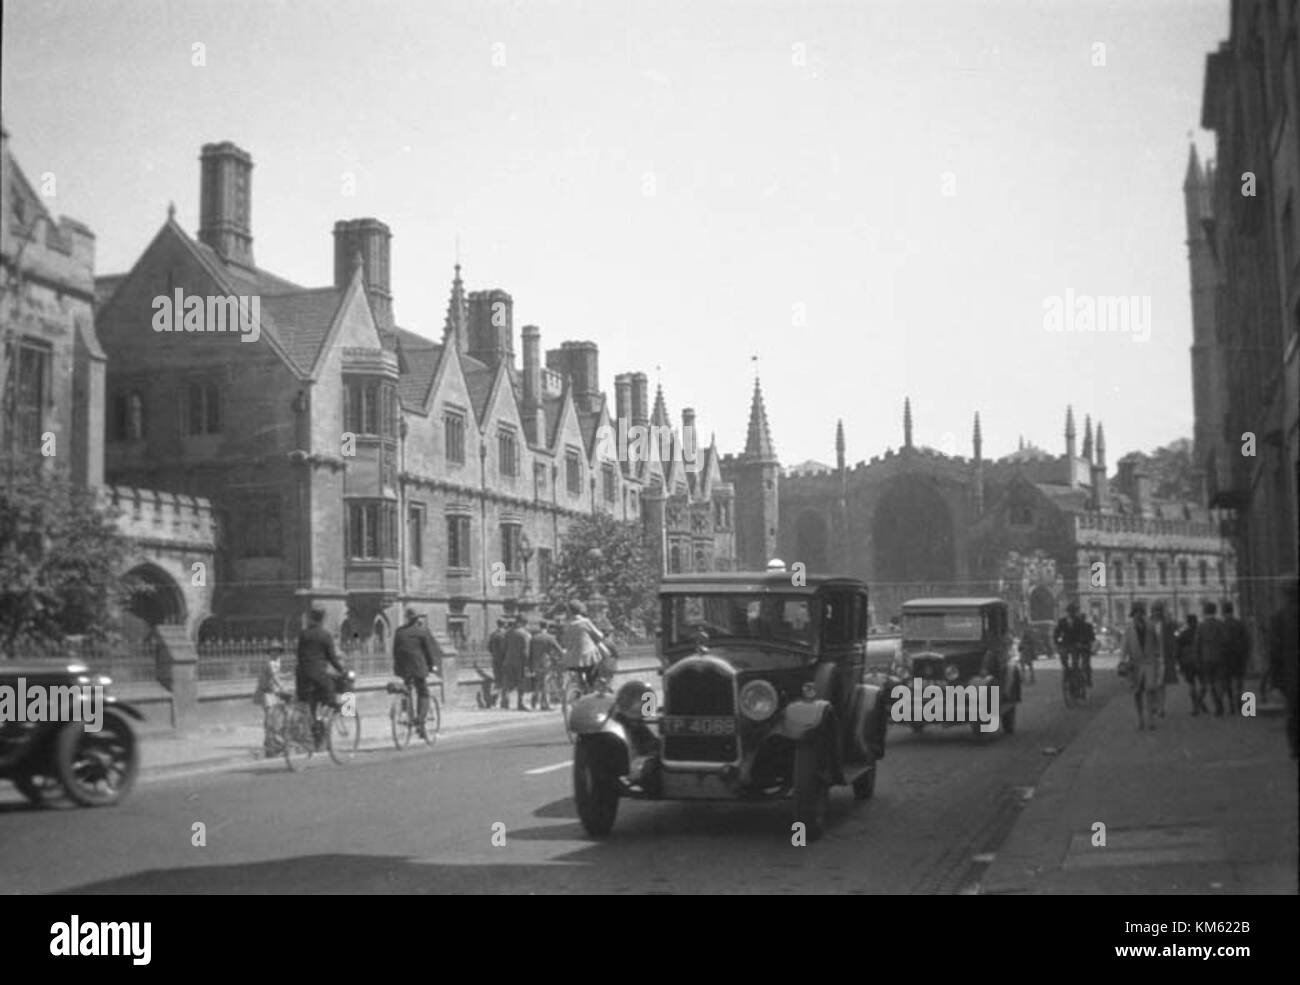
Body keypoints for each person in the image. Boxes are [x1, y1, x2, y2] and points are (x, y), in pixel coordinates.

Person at [296, 608, 345, 747]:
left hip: (302, 676)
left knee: (311, 705)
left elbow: (299, 655)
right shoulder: (325, 635)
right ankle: (339, 712)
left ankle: (317, 735)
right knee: (330, 696)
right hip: (318, 675)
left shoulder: (303, 634)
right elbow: (332, 658)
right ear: (322, 620)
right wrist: (342, 670)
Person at [393, 607, 440, 739]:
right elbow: (429, 652)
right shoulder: (422, 631)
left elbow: (395, 651)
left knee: (406, 690)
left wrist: (397, 668)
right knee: (423, 692)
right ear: (417, 619)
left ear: (407, 618)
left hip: (403, 668)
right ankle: (420, 720)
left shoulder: (399, 632)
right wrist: (432, 666)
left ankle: (405, 713)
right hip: (418, 668)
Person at [1268, 579, 1298, 759]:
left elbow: (1275, 650)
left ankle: (1295, 747)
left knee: (1293, 711)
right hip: (1290, 671)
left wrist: (1275, 680)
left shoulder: (1279, 617)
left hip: (1291, 673)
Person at [1120, 600, 1162, 731]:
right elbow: (1125, 646)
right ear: (1133, 614)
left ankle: (1151, 719)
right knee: (1137, 693)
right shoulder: (1129, 629)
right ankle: (1140, 719)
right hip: (1135, 664)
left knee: (1150, 690)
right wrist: (1122, 660)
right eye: (1135, 613)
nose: (1138, 615)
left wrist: (1158, 656)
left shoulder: (1150, 626)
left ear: (1143, 613)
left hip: (1149, 662)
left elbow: (1157, 642)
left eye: (1140, 612)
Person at [252, 644, 291, 757]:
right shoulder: (269, 663)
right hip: (265, 693)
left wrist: (285, 676)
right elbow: (274, 677)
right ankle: (269, 743)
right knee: (270, 718)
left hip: (272, 693)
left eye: (278, 651)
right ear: (269, 652)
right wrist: (283, 687)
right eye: (273, 651)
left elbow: (277, 675)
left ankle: (271, 742)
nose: (276, 653)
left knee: (274, 718)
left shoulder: (277, 662)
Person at [560, 600, 606, 689]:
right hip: (588, 657)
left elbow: (565, 642)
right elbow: (599, 635)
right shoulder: (585, 622)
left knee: (577, 674)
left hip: (572, 659)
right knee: (593, 675)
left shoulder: (567, 624)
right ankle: (593, 689)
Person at [1054, 602, 1095, 693]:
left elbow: (1082, 633)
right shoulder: (1062, 621)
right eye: (1070, 611)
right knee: (1063, 658)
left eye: (1073, 611)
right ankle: (1067, 671)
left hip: (1075, 645)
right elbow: (1057, 633)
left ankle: (1076, 679)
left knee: (1075, 661)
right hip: (1065, 644)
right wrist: (1057, 642)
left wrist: (1080, 642)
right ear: (1067, 612)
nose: (1071, 613)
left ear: (1075, 612)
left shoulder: (1079, 621)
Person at [1196, 601, 1228, 717]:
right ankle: (1219, 703)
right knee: (1219, 681)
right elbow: (1225, 640)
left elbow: (1197, 644)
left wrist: (1198, 659)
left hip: (1206, 658)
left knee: (1209, 682)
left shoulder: (1201, 626)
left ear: (1205, 612)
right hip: (1219, 657)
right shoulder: (1220, 624)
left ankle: (1216, 703)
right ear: (1215, 611)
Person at [1150, 600, 1178, 718]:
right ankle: (1155, 705)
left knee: (1161, 684)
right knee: (1152, 685)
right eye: (1155, 610)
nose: (1157, 613)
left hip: (1162, 658)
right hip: (1150, 659)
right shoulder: (1148, 623)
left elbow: (1175, 625)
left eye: (1159, 610)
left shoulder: (1167, 624)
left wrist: (1167, 613)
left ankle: (1161, 708)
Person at [1221, 601, 1250, 716]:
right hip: (1239, 656)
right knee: (1239, 680)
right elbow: (1247, 640)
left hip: (1226, 657)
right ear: (1232, 611)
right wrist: (1246, 654)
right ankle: (1240, 703)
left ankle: (1231, 705)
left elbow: (1220, 642)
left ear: (1224, 612)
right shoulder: (1239, 624)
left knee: (1227, 681)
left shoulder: (1222, 625)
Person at [528, 620, 562, 710]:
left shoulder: (534, 638)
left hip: (535, 663)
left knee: (537, 682)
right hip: (546, 663)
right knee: (545, 683)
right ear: (547, 627)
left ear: (540, 627)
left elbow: (530, 652)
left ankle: (534, 701)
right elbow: (559, 650)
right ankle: (544, 704)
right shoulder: (550, 637)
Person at [502, 614, 532, 711]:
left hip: (508, 660)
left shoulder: (508, 632)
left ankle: (505, 702)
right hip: (520, 662)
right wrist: (527, 663)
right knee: (521, 682)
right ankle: (520, 703)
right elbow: (526, 651)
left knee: (507, 681)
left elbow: (504, 647)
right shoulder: (525, 634)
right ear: (524, 623)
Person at [1176, 613, 1204, 715]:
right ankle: (1199, 701)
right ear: (1196, 621)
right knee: (1204, 684)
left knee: (1191, 685)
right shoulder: (1201, 633)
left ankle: (1195, 706)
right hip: (1200, 661)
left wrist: (1180, 664)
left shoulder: (1183, 634)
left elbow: (1178, 651)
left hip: (1187, 662)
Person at [487, 618, 509, 708]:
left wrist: (495, 654)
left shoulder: (493, 634)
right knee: (506, 681)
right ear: (505, 624)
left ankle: (493, 699)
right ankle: (504, 702)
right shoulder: (506, 634)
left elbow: (489, 648)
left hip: (495, 660)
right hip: (504, 660)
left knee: (497, 681)